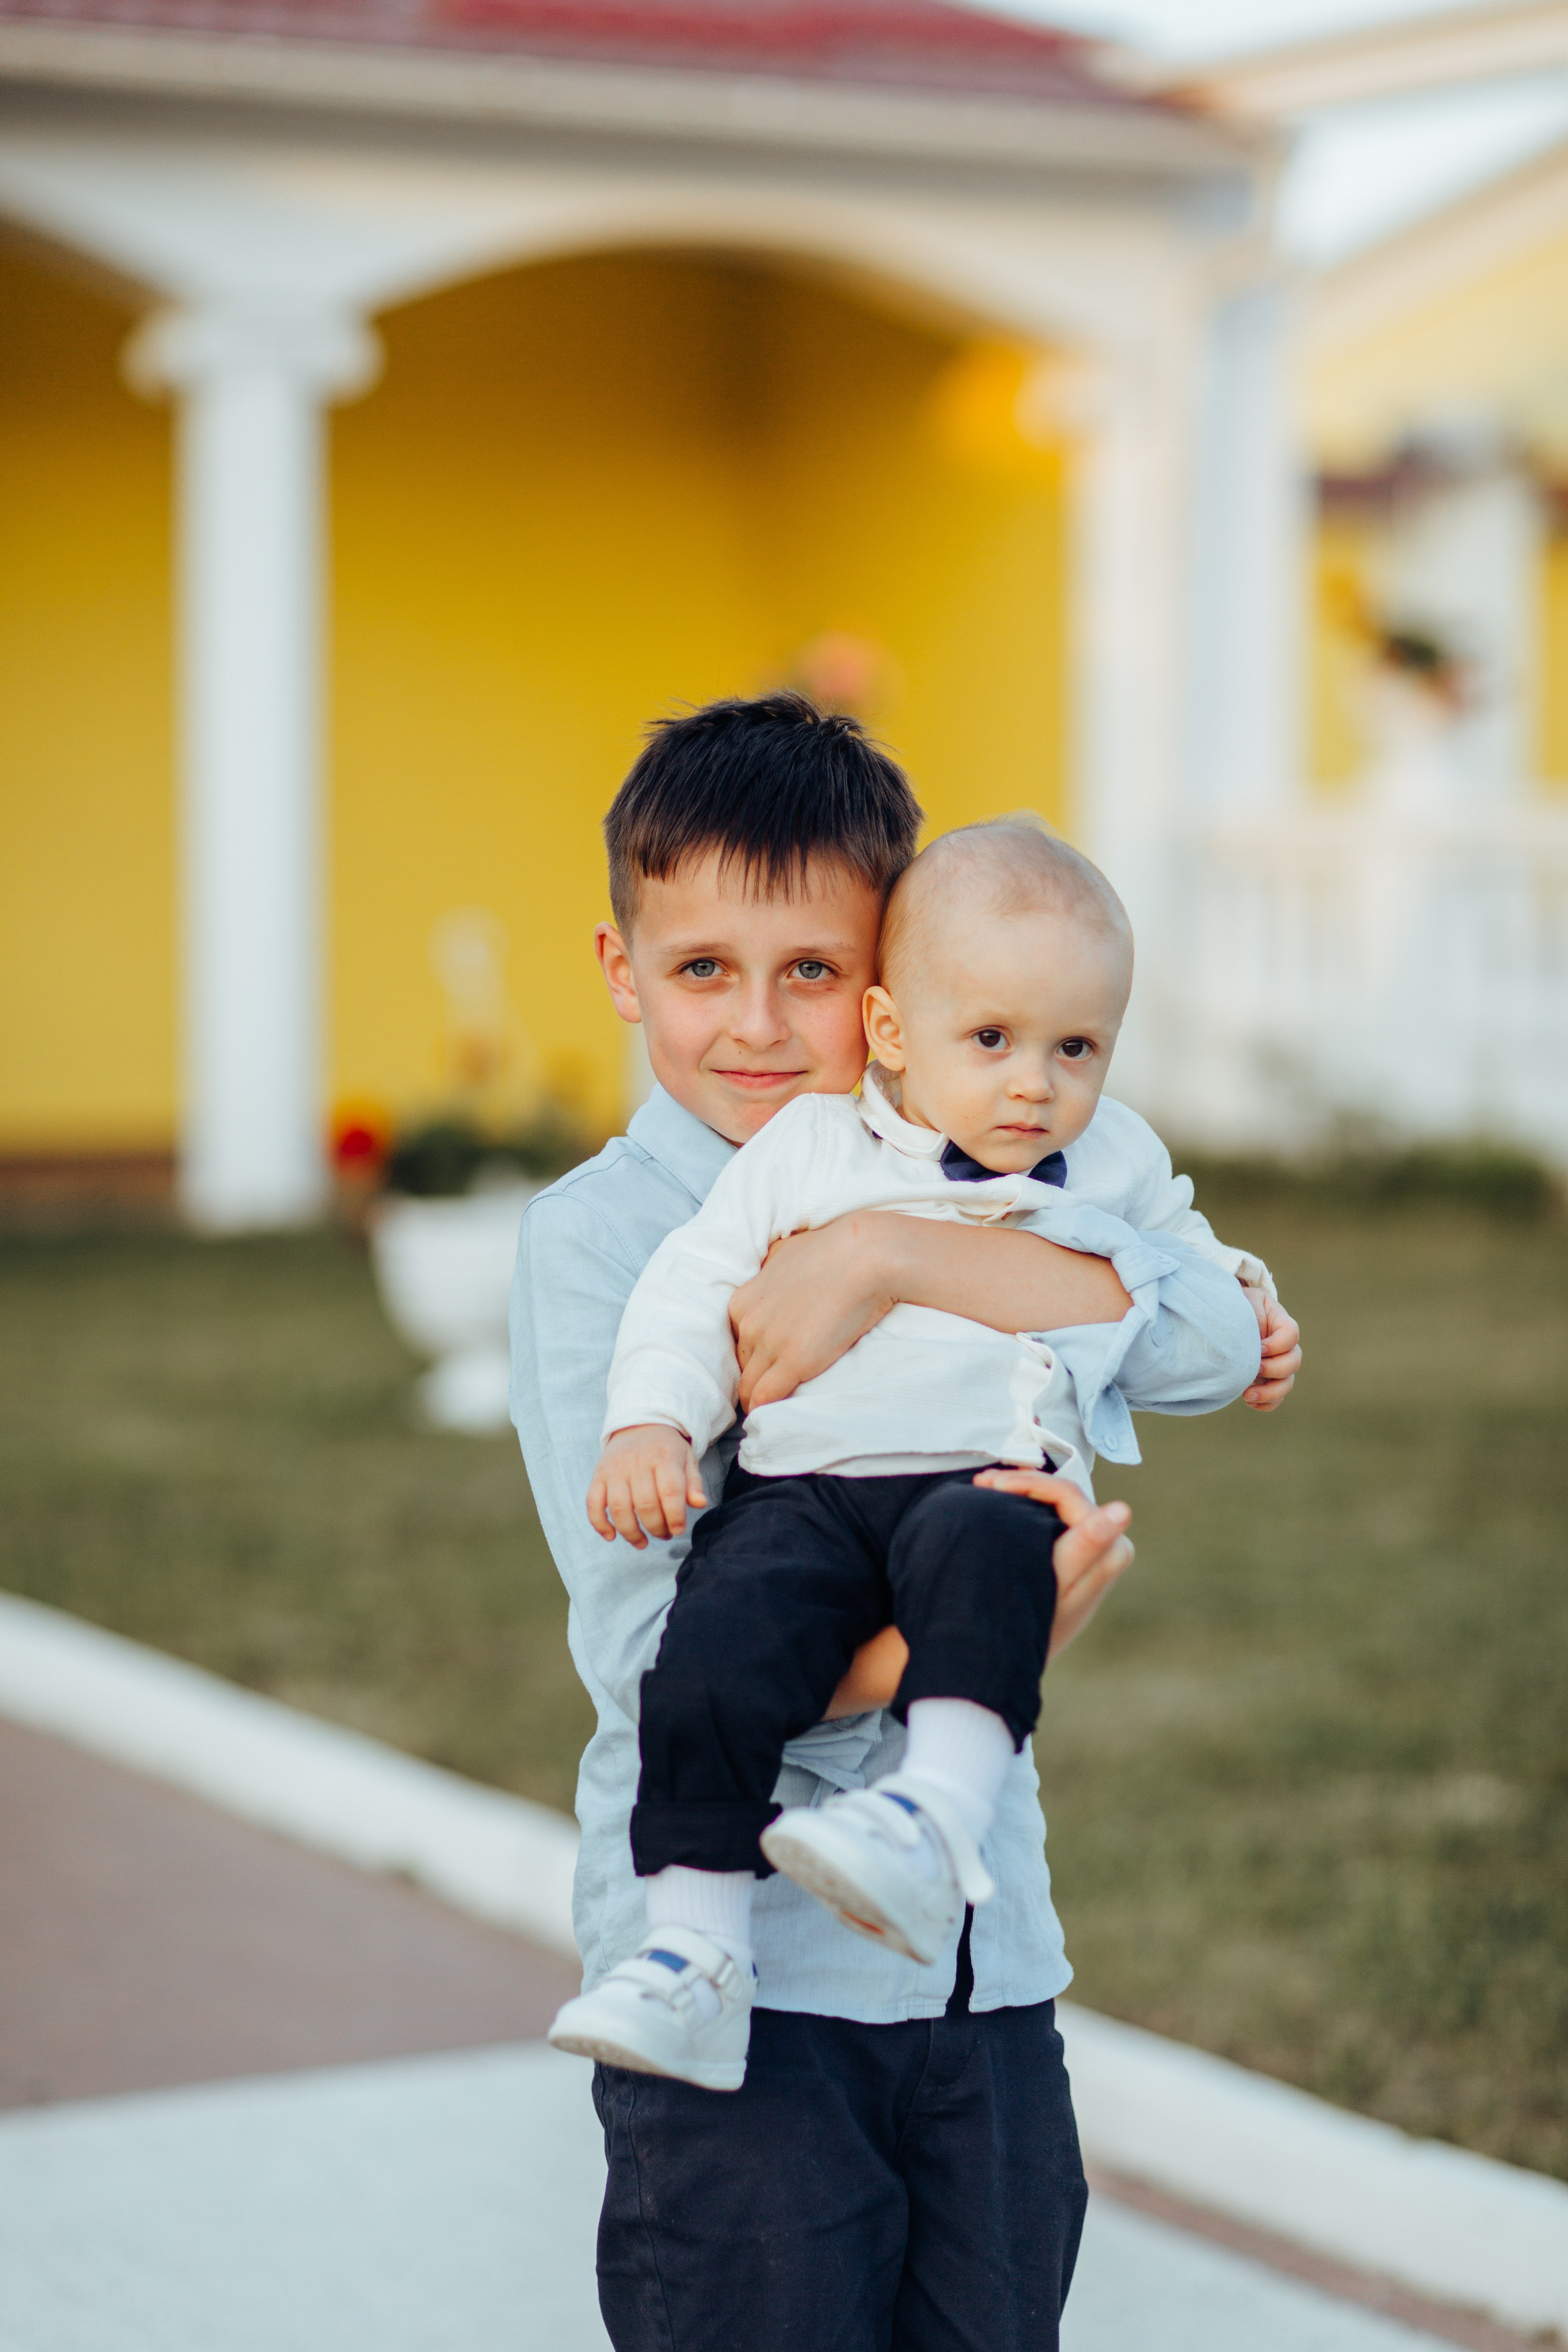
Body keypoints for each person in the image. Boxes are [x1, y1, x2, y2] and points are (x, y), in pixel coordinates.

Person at [510, 693, 1301, 2352]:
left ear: (886, 986)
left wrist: (895, 1257)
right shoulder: (606, 1240)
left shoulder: (997, 1152)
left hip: (983, 1956)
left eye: (811, 969)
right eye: (702, 968)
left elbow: (1202, 1340)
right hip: (751, 1989)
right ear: (622, 969)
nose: (758, 1024)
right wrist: (970, 1646)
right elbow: (655, 1640)